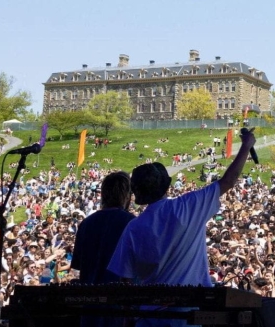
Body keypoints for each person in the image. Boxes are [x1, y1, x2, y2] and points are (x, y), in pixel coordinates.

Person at [108, 129, 256, 326]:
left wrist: (129, 316)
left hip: (149, 318)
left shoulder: (133, 228)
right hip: (188, 316)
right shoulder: (188, 207)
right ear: (165, 186)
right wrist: (246, 145)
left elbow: (124, 280)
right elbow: (228, 181)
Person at [71, 171, 135, 327]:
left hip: (90, 306)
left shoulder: (86, 223)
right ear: (126, 196)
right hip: (119, 307)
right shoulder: (132, 223)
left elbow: (78, 265)